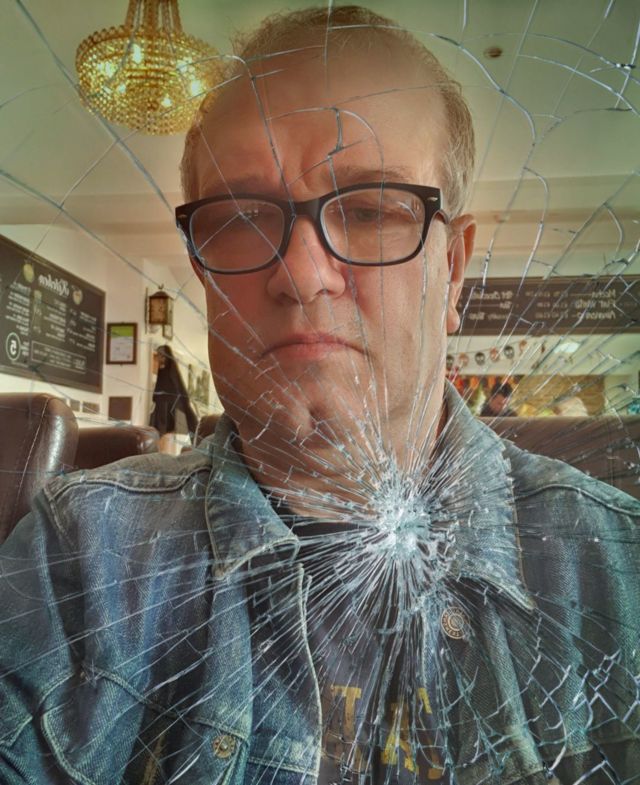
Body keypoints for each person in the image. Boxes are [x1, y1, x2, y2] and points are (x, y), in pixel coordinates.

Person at [1, 6, 638, 784]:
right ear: (200, 267)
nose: (301, 276)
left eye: (369, 209)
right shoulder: (80, 556)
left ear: (452, 271)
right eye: (240, 218)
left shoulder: (619, 572)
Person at [149, 344, 198, 453]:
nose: (160, 359)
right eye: (159, 355)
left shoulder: (171, 374)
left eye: (162, 356)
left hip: (169, 415)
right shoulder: (160, 373)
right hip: (161, 413)